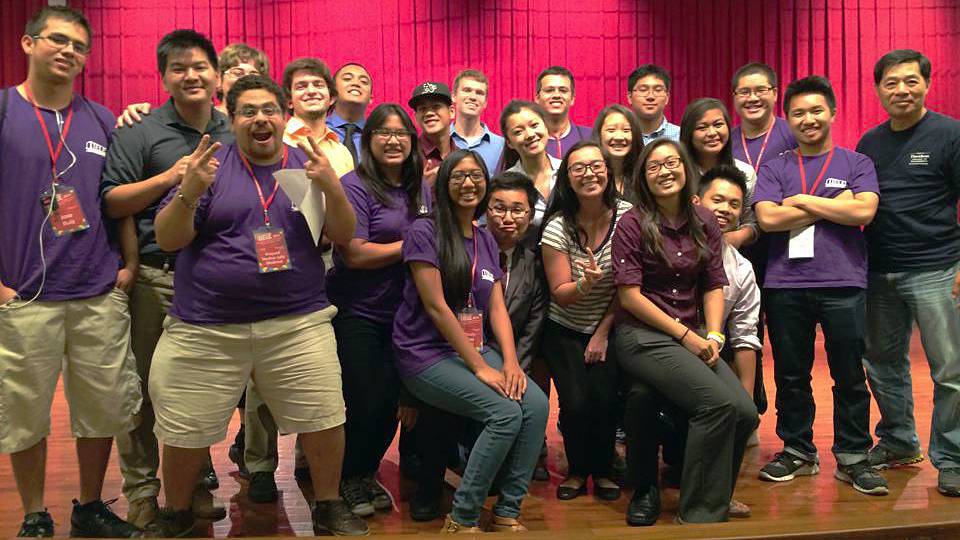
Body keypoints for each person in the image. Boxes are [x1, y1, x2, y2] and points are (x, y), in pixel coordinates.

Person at [145, 74, 367, 536]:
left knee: (324, 416)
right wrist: (189, 191)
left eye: (268, 110)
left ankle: (328, 504)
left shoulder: (309, 165)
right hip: (206, 326)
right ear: (231, 119)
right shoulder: (211, 165)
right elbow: (168, 239)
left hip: (297, 322)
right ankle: (177, 511)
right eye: (248, 111)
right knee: (185, 426)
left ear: (285, 116)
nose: (260, 119)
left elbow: (344, 235)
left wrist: (332, 186)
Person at [0, 6, 142, 537]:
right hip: (24, 294)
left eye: (79, 46)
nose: (68, 51)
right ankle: (35, 513)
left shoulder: (102, 119)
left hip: (96, 291)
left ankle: (90, 506)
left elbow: (116, 201)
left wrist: (129, 265)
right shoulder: (4, 111)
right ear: (28, 42)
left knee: (102, 409)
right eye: (57, 40)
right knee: (24, 412)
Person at [100, 28, 232, 525]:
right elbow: (112, 201)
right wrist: (169, 177)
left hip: (213, 281)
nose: (191, 75)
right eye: (179, 68)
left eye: (200, 66)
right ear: (164, 77)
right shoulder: (139, 130)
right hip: (156, 278)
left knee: (197, 391)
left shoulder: (233, 129)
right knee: (141, 390)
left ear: (217, 75)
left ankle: (192, 485)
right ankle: (140, 491)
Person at [393, 149, 549, 533]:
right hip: (424, 353)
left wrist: (510, 363)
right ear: (444, 183)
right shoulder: (424, 231)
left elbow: (496, 309)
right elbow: (436, 307)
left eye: (476, 176)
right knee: (504, 414)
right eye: (458, 176)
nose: (468, 183)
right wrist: (481, 368)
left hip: (473, 348)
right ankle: (462, 518)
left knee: (536, 405)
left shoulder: (484, 238)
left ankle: (507, 511)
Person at [753, 76, 887, 496]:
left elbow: (864, 211)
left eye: (816, 110)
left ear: (832, 112)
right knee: (791, 374)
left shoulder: (856, 162)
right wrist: (835, 205)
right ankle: (797, 450)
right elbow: (767, 220)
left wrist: (799, 201)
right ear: (787, 119)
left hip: (843, 281)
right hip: (785, 284)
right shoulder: (775, 167)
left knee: (849, 374)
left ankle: (853, 456)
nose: (808, 119)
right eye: (798, 113)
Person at [613, 138, 758, 524]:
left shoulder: (704, 220)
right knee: (717, 404)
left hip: (692, 333)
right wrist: (685, 336)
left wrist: (714, 335)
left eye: (672, 163)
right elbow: (629, 297)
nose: (664, 171)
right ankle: (699, 514)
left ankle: (715, 494)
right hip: (642, 335)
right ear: (643, 177)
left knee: (745, 412)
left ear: (685, 169)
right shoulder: (631, 223)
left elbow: (714, 282)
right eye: (654, 166)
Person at [238, 56, 357, 505]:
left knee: (317, 368)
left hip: (328, 260)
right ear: (288, 98)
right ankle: (260, 463)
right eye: (302, 85)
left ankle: (310, 459)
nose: (311, 91)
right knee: (263, 372)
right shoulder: (274, 134)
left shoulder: (341, 148)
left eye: (318, 85)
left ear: (330, 95)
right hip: (276, 261)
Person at [857, 49, 960, 497]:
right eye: (892, 83)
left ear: (927, 84)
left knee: (950, 371)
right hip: (879, 271)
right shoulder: (870, 143)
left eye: (911, 81)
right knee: (882, 363)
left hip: (938, 268)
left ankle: (952, 458)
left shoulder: (950, 134)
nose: (902, 90)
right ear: (879, 89)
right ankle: (899, 440)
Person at [326, 103, 431, 517]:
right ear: (368, 140)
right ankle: (347, 477)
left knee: (391, 402)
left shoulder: (420, 187)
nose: (393, 140)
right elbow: (354, 253)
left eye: (401, 133)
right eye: (383, 133)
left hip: (408, 314)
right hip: (360, 311)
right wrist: (413, 247)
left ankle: (365, 472)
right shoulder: (354, 185)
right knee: (364, 399)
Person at [540, 140, 633, 502]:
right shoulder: (557, 227)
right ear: (567, 177)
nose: (588, 173)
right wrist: (585, 284)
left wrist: (603, 332)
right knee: (576, 403)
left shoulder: (628, 218)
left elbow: (631, 286)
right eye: (578, 168)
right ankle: (578, 471)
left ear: (608, 171)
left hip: (612, 322)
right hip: (564, 325)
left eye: (596, 166)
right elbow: (561, 293)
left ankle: (604, 470)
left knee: (605, 399)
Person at [113, 42, 269, 127]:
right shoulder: (201, 117)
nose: (246, 79)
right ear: (218, 80)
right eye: (237, 73)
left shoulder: (269, 120)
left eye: (253, 74)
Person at [679, 98, 758, 249]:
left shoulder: (745, 172)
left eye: (718, 125)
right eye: (702, 127)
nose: (712, 133)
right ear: (689, 133)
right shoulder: (677, 172)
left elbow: (752, 222)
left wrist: (739, 236)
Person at [499, 100, 562, 243]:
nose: (529, 135)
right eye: (518, 132)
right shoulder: (505, 184)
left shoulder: (567, 171)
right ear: (509, 142)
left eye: (534, 125)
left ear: (547, 127)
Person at [730, 62, 797, 169]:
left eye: (760, 90)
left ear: (775, 94)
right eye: (744, 92)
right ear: (734, 97)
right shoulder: (726, 142)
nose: (752, 98)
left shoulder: (794, 134)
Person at [450, 69, 504, 173]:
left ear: (485, 102)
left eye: (479, 93)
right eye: (467, 90)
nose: (473, 97)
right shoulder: (440, 142)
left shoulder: (502, 146)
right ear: (453, 96)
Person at [534, 66, 592, 159]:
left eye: (563, 90)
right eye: (549, 90)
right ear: (537, 98)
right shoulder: (528, 140)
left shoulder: (591, 137)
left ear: (572, 98)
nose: (556, 95)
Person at [410, 81, 457, 187]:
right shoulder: (409, 155)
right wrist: (422, 188)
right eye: (423, 108)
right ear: (416, 117)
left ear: (452, 112)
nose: (429, 113)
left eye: (436, 106)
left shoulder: (462, 157)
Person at [592, 103, 643, 199]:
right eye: (611, 130)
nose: (619, 137)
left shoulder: (643, 177)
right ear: (599, 135)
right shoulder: (589, 176)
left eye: (626, 130)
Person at [328, 62, 372, 164]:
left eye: (364, 82)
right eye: (347, 79)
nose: (356, 83)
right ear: (332, 92)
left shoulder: (377, 135)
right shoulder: (317, 131)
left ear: (371, 98)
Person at [626, 64, 679, 144]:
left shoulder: (681, 137)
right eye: (643, 90)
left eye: (658, 90)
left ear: (667, 97)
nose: (650, 96)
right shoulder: (620, 137)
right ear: (630, 97)